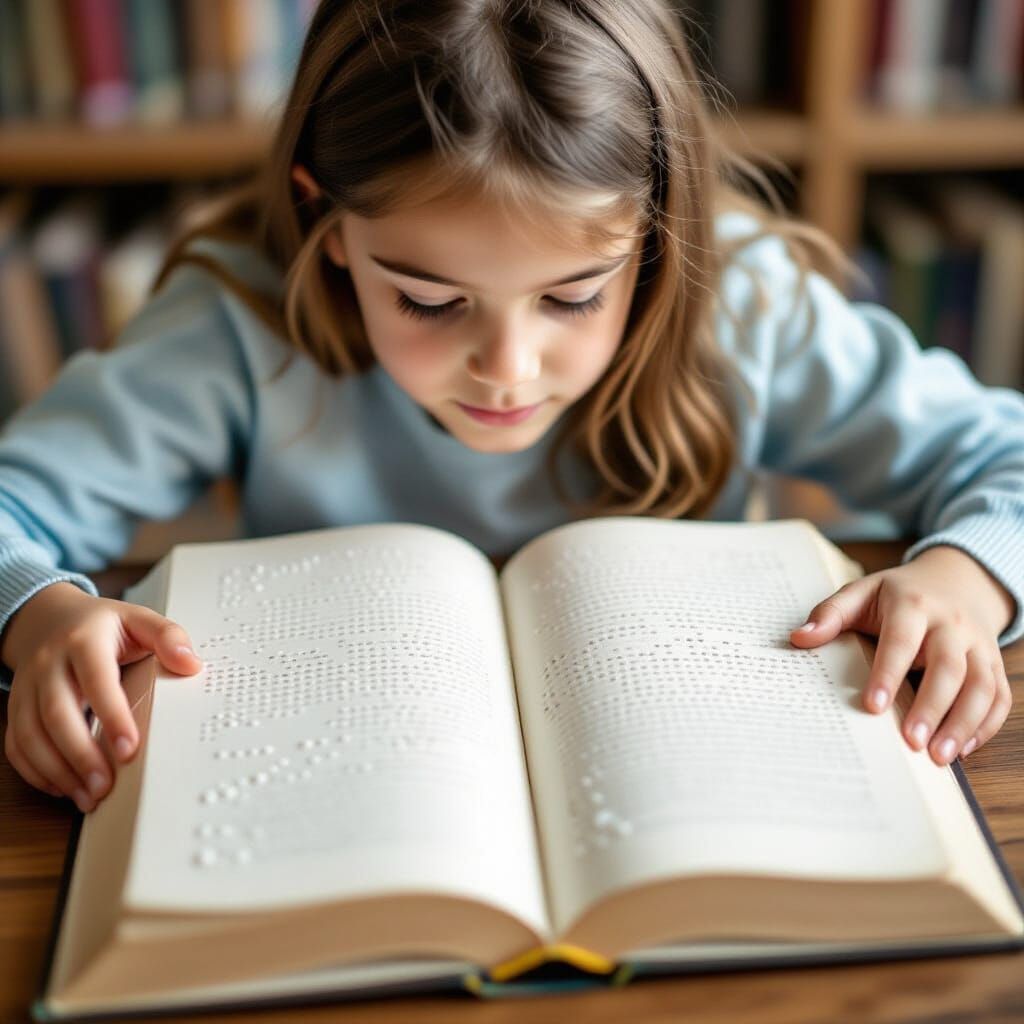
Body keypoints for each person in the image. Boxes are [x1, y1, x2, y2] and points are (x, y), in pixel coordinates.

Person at [1, 0, 1021, 816]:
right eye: (430, 301)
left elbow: (1002, 457)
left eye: (574, 296)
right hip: (338, 792)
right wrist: (37, 614)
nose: (506, 366)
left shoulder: (744, 304)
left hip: (698, 792)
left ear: (658, 233)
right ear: (328, 217)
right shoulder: (237, 322)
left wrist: (962, 578)